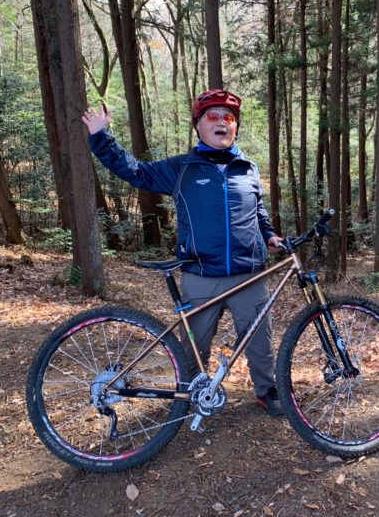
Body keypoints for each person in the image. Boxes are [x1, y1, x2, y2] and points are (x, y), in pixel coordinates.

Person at [82, 89, 284, 416]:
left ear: (236, 127)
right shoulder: (181, 168)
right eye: (213, 117)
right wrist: (101, 137)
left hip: (250, 275)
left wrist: (270, 236)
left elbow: (258, 211)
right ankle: (191, 396)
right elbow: (135, 170)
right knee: (193, 349)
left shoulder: (249, 168)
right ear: (199, 126)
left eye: (229, 118)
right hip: (201, 276)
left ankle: (267, 390)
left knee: (260, 342)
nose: (222, 122)